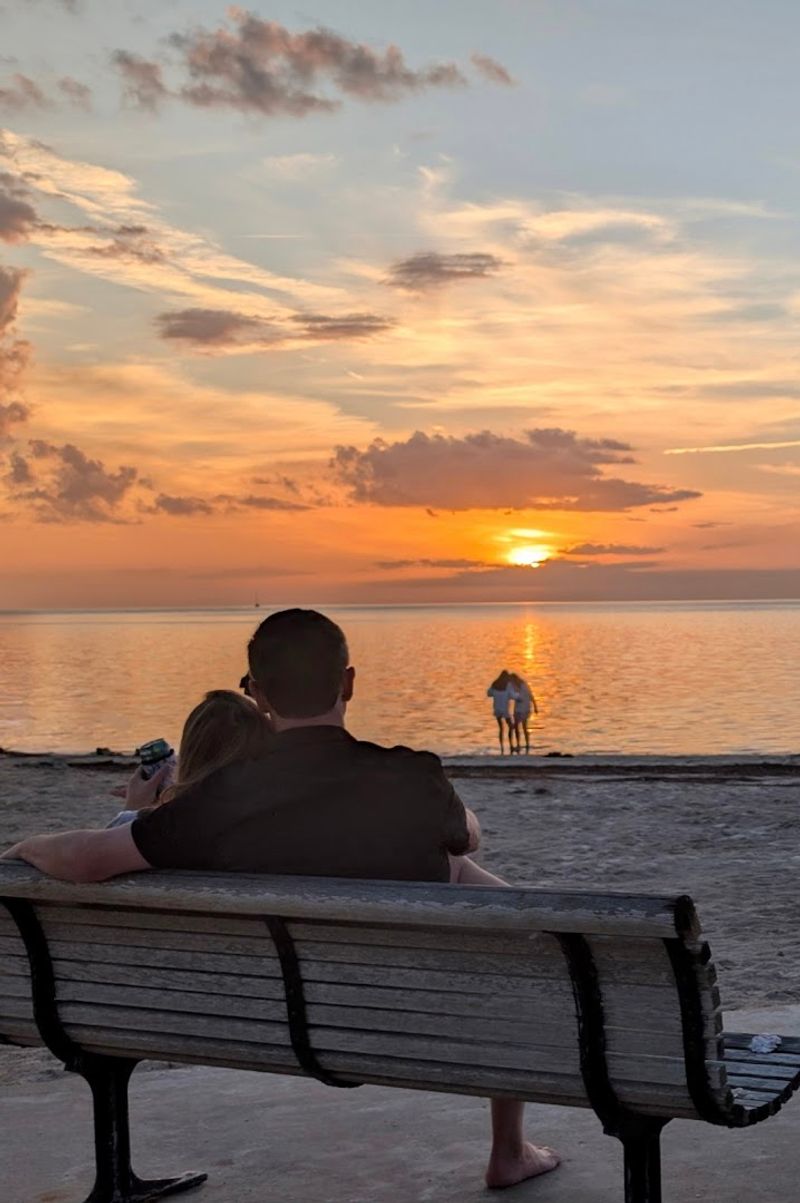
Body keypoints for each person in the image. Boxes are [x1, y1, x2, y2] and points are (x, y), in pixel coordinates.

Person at [2, 609, 559, 1190]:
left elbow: (89, 859)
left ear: (259, 694)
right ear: (348, 683)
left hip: (258, 1019)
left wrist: (24, 848)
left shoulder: (215, 801)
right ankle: (509, 1150)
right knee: (486, 906)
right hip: (416, 1019)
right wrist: (447, 813)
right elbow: (469, 835)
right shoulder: (412, 776)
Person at [107, 690, 274, 827]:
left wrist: (134, 806)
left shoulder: (163, 826)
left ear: (190, 754)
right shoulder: (275, 817)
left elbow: (105, 850)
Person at [509, 673, 538, 755]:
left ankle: (524, 744)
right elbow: (530, 695)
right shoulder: (518, 685)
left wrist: (535, 706)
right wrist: (535, 706)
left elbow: (530, 695)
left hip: (523, 709)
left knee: (521, 727)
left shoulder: (521, 685)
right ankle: (523, 744)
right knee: (520, 727)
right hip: (522, 709)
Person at [486, 670, 515, 754]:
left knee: (501, 728)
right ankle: (511, 745)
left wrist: (496, 693)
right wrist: (518, 697)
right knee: (511, 727)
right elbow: (512, 695)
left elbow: (489, 693)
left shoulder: (495, 683)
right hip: (505, 710)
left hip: (497, 709)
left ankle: (502, 747)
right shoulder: (508, 685)